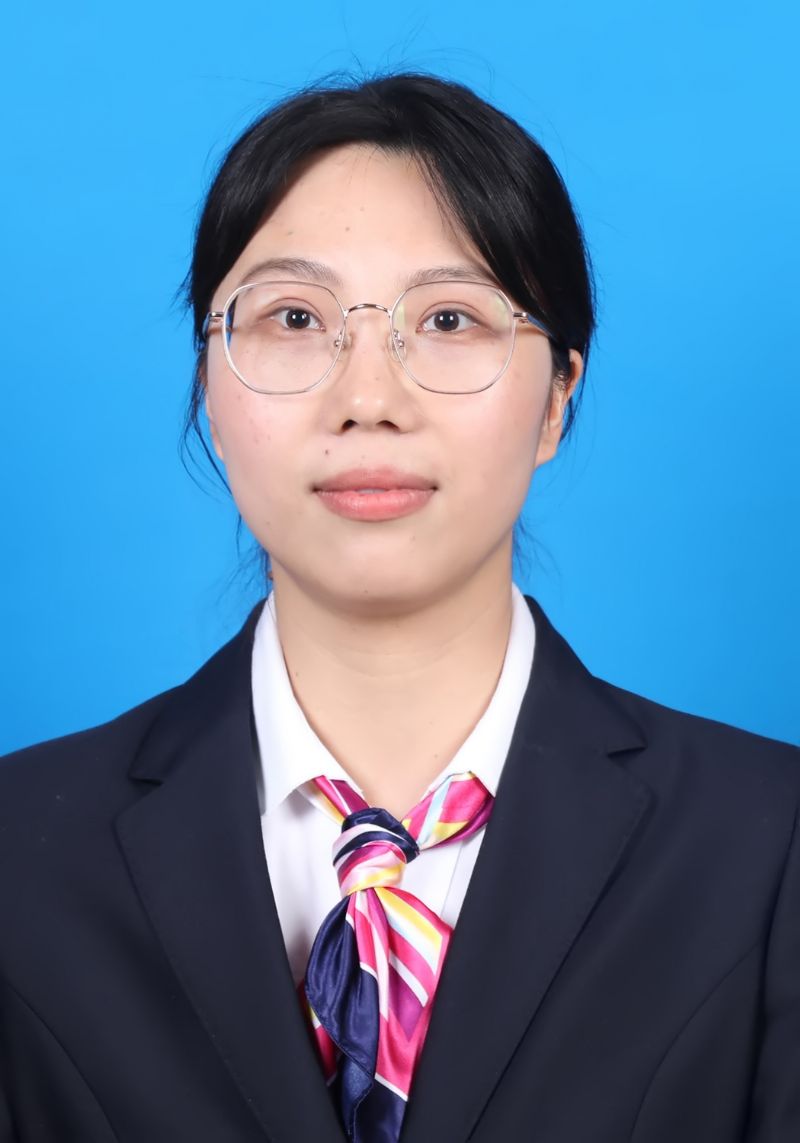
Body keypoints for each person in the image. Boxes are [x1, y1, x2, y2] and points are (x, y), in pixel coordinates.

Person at [0, 71, 797, 1143]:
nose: (368, 400)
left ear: (557, 396)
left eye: (449, 319)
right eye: (294, 318)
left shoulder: (768, 843)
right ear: (208, 390)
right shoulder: (21, 854)